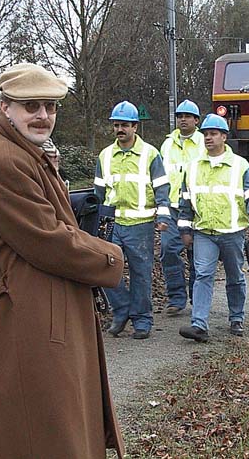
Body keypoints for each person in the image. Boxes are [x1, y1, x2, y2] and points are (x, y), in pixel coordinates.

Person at [0, 63, 126, 458]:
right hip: (21, 320)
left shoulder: (24, 153)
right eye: (30, 105)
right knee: (41, 433)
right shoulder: (3, 161)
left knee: (39, 430)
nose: (42, 115)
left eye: (50, 107)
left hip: (33, 311)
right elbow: (49, 240)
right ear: (5, 107)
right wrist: (112, 258)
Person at [178, 114, 249, 343]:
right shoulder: (193, 167)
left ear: (224, 137)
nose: (208, 138)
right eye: (205, 134)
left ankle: (236, 317)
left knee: (235, 277)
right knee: (202, 275)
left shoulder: (240, 166)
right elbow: (185, 200)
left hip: (232, 232)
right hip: (204, 232)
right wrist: (185, 230)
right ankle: (199, 325)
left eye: (213, 134)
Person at [94, 101, 173, 340]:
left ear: (135, 127)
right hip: (113, 224)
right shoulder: (105, 155)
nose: (120, 129)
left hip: (140, 224)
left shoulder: (150, 154)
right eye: (117, 125)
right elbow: (99, 192)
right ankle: (122, 310)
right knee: (105, 269)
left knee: (141, 273)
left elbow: (161, 186)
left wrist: (162, 213)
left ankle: (142, 319)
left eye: (125, 125)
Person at [159, 99, 206, 315]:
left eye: (187, 116)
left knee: (197, 255)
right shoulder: (167, 144)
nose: (183, 119)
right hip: (171, 207)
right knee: (169, 251)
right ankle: (176, 298)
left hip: (197, 209)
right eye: (180, 116)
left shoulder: (205, 143)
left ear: (197, 120)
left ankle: (197, 298)